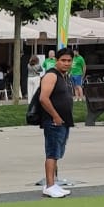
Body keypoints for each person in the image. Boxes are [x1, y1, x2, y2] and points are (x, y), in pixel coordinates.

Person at [35, 44, 75, 198]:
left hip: (63, 121)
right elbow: (43, 98)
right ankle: (50, 185)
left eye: (69, 60)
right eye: (63, 60)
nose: (66, 63)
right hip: (53, 121)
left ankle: (53, 183)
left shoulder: (63, 77)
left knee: (57, 152)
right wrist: (55, 116)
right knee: (52, 152)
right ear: (57, 61)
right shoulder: (51, 76)